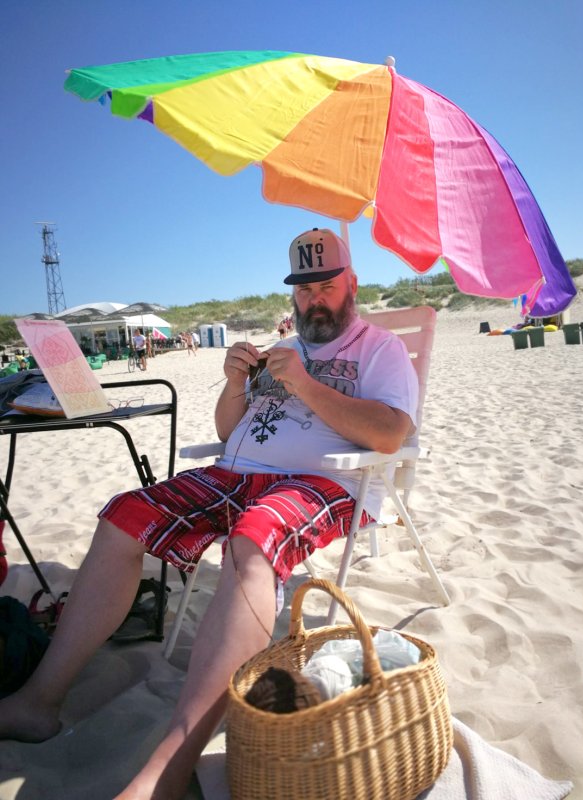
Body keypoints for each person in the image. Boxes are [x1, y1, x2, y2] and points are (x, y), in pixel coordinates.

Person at [0, 227, 418, 799]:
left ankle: (172, 764)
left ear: (353, 285)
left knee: (253, 538)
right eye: (304, 289)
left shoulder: (379, 349)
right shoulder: (284, 350)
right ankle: (38, 702)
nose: (314, 299)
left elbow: (391, 434)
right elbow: (228, 431)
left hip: (327, 479)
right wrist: (235, 382)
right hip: (236, 474)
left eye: (327, 286)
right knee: (124, 515)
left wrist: (306, 385)